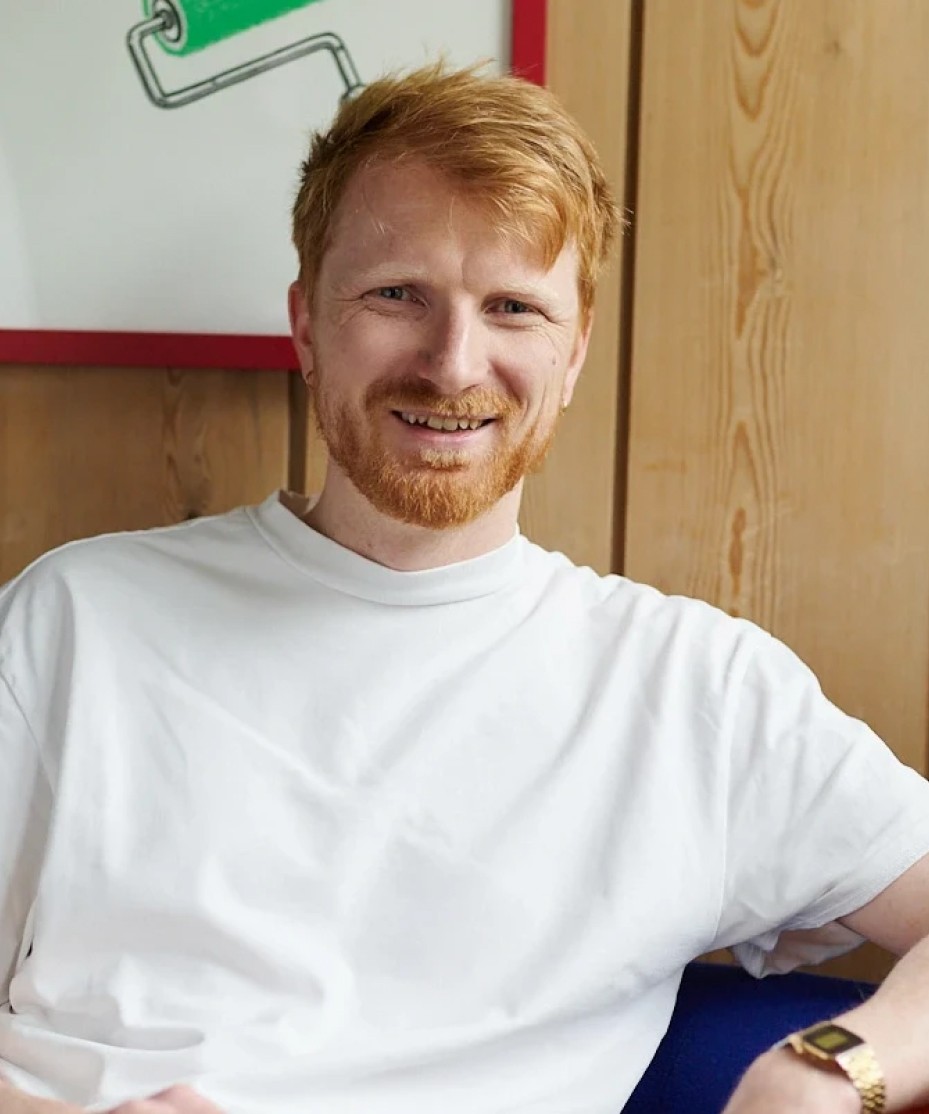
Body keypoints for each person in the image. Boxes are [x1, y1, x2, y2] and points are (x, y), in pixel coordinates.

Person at [1, 62, 928, 1114]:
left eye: (511, 307)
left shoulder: (695, 691)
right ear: (306, 324)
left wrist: (829, 1071)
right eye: (397, 294)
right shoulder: (75, 619)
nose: (451, 364)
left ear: (573, 351)